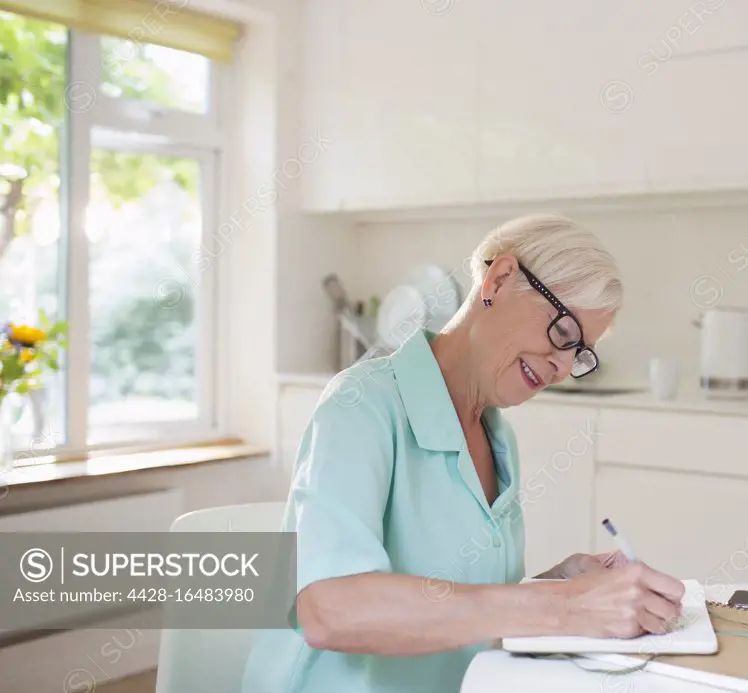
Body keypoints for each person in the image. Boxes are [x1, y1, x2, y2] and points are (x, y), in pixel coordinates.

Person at [242, 213, 685, 693]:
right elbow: (330, 610)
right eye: (562, 334)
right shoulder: (362, 404)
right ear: (499, 279)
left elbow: (465, 607)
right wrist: (567, 608)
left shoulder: (498, 438)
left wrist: (557, 584)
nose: (561, 366)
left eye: (579, 353)